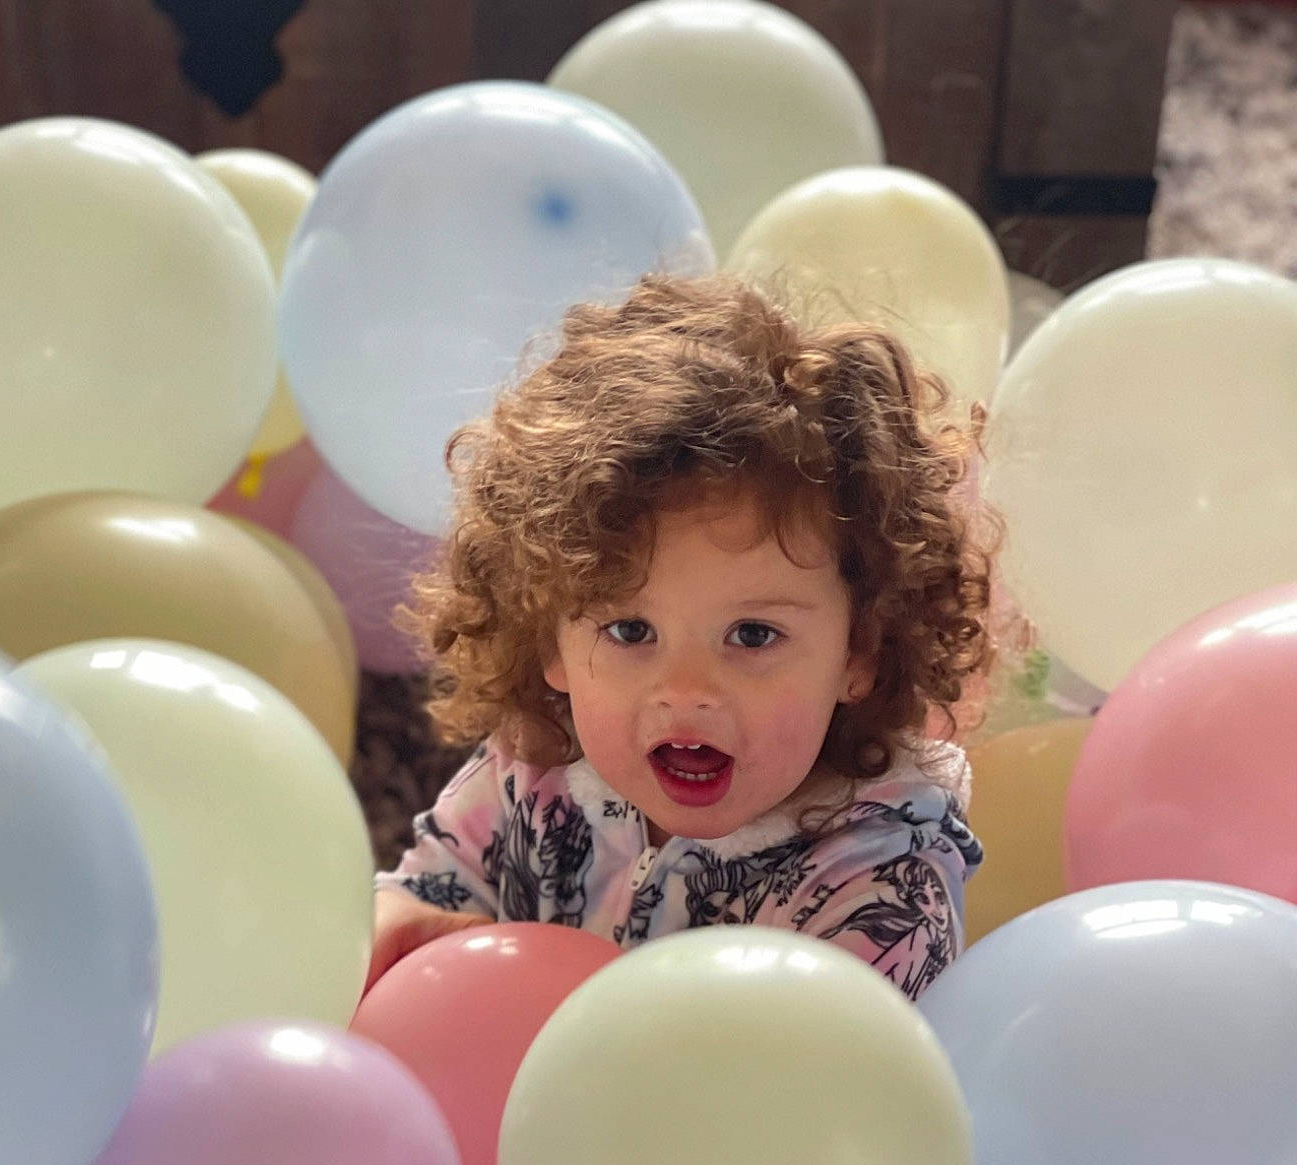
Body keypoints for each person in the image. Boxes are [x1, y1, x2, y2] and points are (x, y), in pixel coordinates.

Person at [368, 270, 995, 1006]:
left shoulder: (880, 883)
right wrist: (399, 935)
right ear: (550, 643)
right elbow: (413, 901)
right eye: (631, 630)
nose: (687, 690)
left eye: (753, 635)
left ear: (859, 651)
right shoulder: (534, 769)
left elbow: (809, 1102)